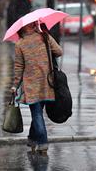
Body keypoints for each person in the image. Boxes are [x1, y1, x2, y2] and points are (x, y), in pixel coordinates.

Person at [11, 22, 63, 155]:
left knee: (37, 113)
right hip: (47, 83)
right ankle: (32, 139)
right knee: (38, 113)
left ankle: (43, 142)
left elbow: (18, 67)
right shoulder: (44, 37)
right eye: (33, 23)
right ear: (31, 26)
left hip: (31, 86)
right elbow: (59, 51)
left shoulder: (20, 44)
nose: (35, 24)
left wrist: (15, 85)